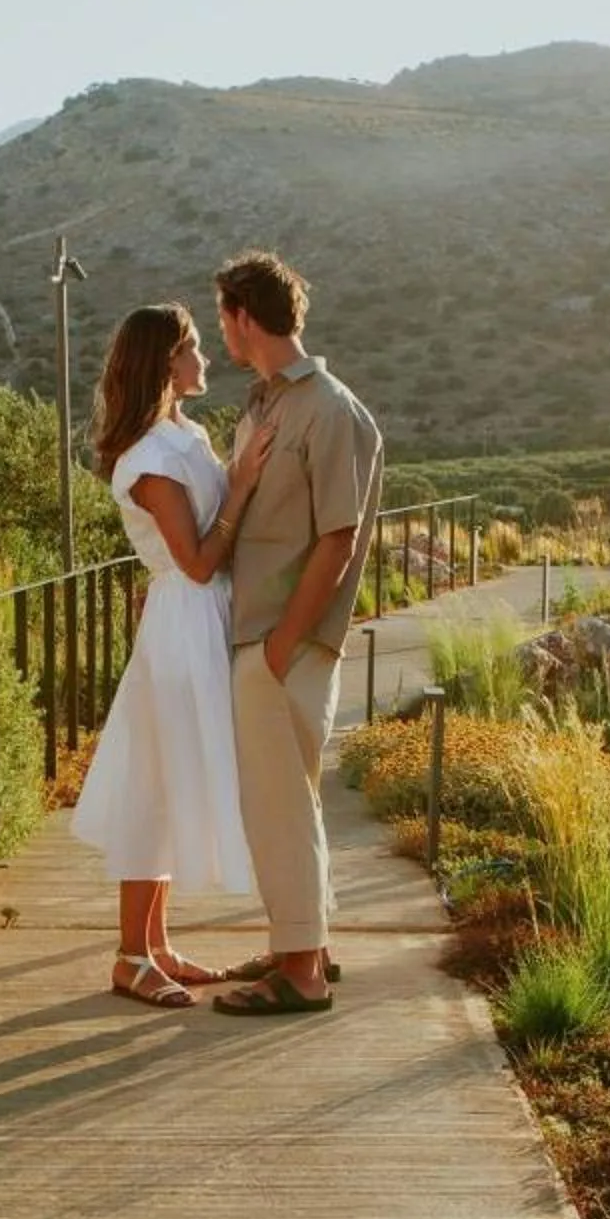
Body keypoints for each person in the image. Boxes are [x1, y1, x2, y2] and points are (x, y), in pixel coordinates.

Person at [69, 303, 277, 1008]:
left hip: (201, 618)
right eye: (193, 349)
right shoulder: (149, 459)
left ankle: (155, 945)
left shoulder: (183, 435)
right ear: (166, 363)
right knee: (154, 788)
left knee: (172, 778)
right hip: (184, 622)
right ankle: (130, 955)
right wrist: (243, 488)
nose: (205, 360)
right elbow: (192, 562)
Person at [207, 250, 381, 1016]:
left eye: (223, 317)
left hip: (286, 642)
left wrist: (284, 645)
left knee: (279, 801)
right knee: (285, 800)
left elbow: (337, 539)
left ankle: (303, 972)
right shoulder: (265, 405)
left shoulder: (328, 409)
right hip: (262, 636)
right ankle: (299, 944)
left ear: (245, 317)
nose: (222, 332)